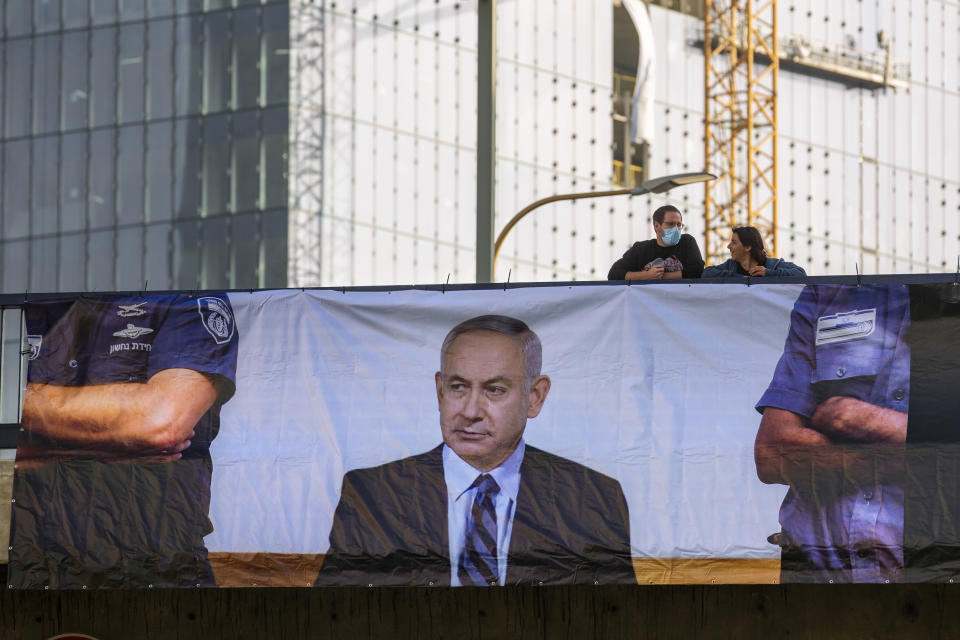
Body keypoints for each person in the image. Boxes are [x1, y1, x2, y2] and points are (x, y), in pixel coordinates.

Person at [315, 315, 635, 586]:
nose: (470, 411)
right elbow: (334, 615)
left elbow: (616, 617)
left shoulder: (593, 498)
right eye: (458, 388)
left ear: (535, 397)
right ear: (440, 391)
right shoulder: (372, 495)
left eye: (494, 390)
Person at [8, 293, 239, 589]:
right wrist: (109, 437)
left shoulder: (190, 297)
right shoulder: (33, 299)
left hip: (159, 565)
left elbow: (159, 422)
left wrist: (29, 411)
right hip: (38, 559)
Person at [754, 284, 908, 583]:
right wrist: (920, 452)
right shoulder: (826, 294)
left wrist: (855, 418)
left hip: (933, 577)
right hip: (816, 576)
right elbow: (771, 454)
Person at [607, 205, 704, 280]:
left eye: (679, 225)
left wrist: (661, 277)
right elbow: (614, 274)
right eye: (670, 224)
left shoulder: (687, 242)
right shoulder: (641, 249)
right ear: (657, 226)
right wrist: (646, 275)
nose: (676, 229)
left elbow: (697, 270)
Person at [701, 226, 806, 278]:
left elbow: (801, 274)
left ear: (747, 247)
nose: (729, 246)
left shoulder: (772, 265)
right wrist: (738, 278)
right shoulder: (730, 265)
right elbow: (706, 273)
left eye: (733, 242)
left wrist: (769, 273)